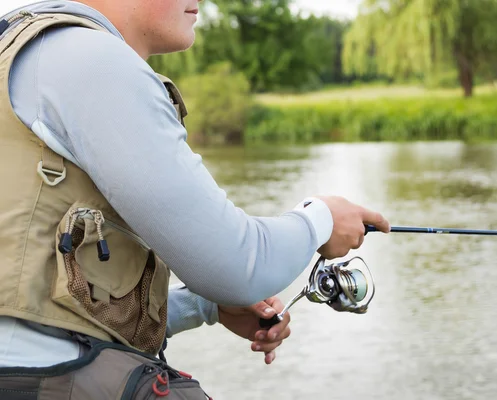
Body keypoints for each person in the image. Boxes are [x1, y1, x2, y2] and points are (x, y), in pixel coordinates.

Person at [0, 0, 390, 398]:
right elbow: (237, 265)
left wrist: (205, 307)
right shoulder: (92, 61)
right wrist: (321, 219)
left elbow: (32, 312)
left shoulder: (20, 50)